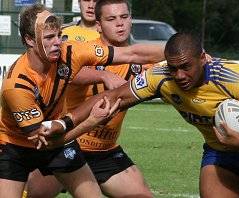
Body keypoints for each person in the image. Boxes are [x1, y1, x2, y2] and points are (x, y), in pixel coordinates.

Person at [38, 32, 239, 198]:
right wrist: (64, 122)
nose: (179, 75)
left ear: (202, 59)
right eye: (173, 67)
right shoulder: (160, 78)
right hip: (220, 150)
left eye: (186, 67)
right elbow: (111, 98)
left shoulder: (231, 76)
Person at [0, 2, 165, 198]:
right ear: (29, 39)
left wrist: (182, 54)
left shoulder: (70, 52)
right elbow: (46, 142)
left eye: (59, 35)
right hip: (17, 145)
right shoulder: (16, 85)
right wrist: (91, 121)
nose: (57, 43)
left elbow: (131, 53)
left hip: (70, 141)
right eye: (49, 37)